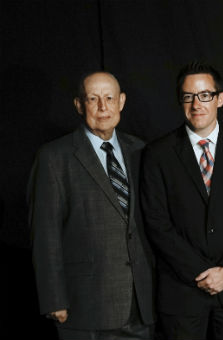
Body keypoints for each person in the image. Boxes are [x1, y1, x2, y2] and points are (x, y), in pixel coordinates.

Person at [28, 72, 155, 339]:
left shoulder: (140, 151)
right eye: (93, 99)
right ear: (78, 105)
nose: (102, 107)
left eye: (109, 98)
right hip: (85, 307)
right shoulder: (54, 157)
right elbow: (44, 233)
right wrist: (54, 299)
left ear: (121, 102)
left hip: (140, 305)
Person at [140, 61, 223, 339]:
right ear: (180, 101)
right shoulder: (158, 154)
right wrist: (201, 271)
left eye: (205, 95)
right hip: (182, 294)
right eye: (188, 96)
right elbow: (157, 223)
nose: (197, 104)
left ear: (220, 99)